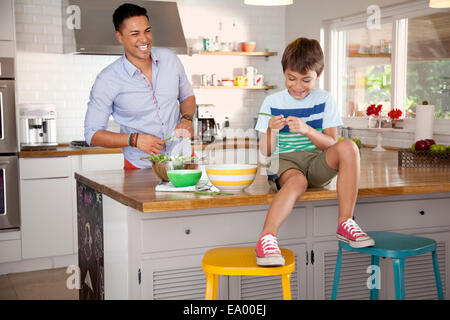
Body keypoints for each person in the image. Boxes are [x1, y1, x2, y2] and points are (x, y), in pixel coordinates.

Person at [254, 38, 374, 267]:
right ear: (284, 73)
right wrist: (271, 130)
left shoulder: (326, 99)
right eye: (291, 78)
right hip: (284, 161)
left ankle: (345, 223)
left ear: (319, 74)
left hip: (317, 161)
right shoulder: (271, 102)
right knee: (297, 182)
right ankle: (267, 238)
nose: (298, 86)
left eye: (306, 80)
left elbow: (331, 144)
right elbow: (266, 151)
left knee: (348, 146)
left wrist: (308, 130)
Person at [84, 3, 195, 169]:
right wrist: (134, 140)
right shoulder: (107, 79)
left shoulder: (170, 59)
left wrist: (186, 118)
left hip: (182, 158)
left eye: (147, 31)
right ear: (119, 36)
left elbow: (186, 96)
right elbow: (92, 134)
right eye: (135, 34)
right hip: (140, 166)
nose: (144, 39)